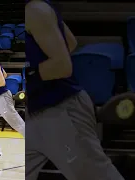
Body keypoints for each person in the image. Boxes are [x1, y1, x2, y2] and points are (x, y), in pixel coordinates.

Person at [25, 0, 125, 180]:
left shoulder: (34, 9)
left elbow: (62, 65)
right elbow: (70, 42)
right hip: (31, 112)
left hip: (59, 109)